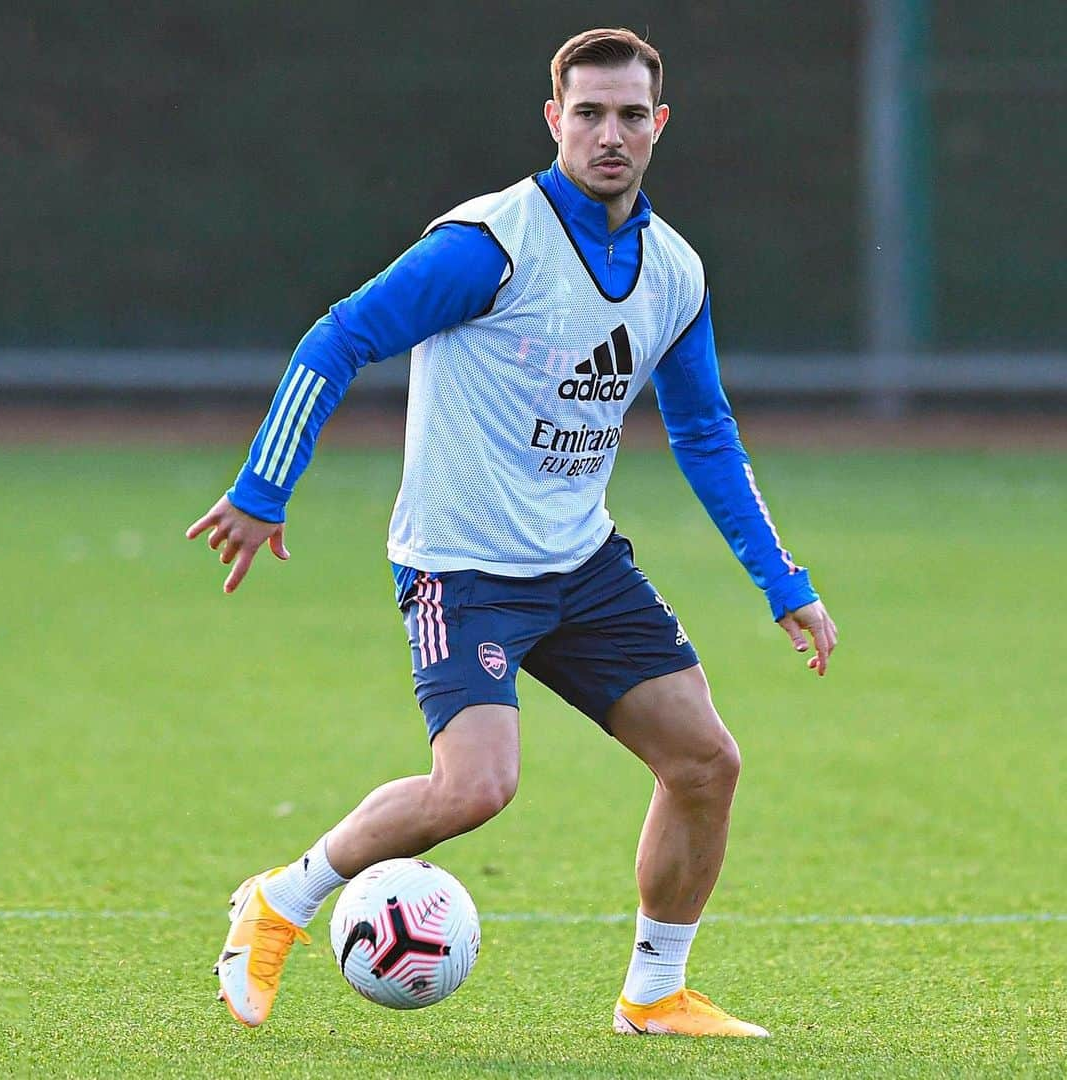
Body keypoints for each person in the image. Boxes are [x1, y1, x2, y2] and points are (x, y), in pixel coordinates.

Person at [187, 27, 838, 1037]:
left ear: (659, 126)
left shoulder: (673, 271)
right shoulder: (490, 245)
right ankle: (281, 902)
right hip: (463, 567)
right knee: (477, 788)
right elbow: (340, 335)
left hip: (581, 563)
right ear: (554, 121)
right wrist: (263, 489)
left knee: (706, 762)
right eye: (589, 114)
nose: (609, 133)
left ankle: (654, 993)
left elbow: (705, 431)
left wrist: (782, 580)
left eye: (630, 115)